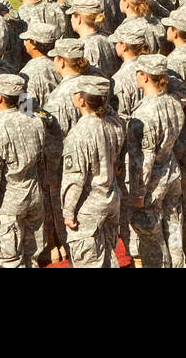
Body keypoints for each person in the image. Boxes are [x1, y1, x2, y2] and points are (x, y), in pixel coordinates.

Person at [0, 73, 49, 267]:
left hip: (8, 199)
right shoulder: (34, 120)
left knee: (9, 259)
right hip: (34, 192)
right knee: (32, 255)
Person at [126, 52, 185, 268]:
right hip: (171, 171)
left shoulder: (144, 113)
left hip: (153, 181)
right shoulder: (173, 102)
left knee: (152, 240)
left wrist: (138, 192)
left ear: (143, 76)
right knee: (174, 230)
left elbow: (144, 158)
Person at [60, 77, 125, 268]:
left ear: (81, 100)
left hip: (88, 207)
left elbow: (74, 179)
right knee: (108, 258)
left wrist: (68, 212)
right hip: (111, 198)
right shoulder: (114, 124)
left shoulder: (79, 133)